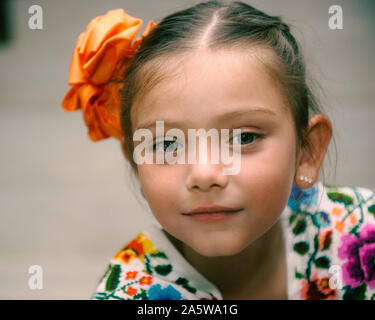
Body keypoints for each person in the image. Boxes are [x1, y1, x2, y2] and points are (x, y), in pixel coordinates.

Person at [61, 1, 375, 300]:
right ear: (135, 163)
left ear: (307, 150)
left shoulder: (362, 228)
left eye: (243, 138)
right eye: (167, 144)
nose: (204, 175)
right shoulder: (129, 292)